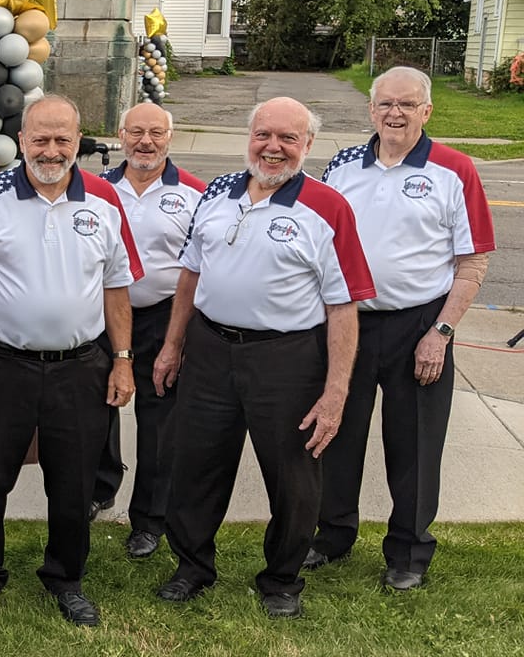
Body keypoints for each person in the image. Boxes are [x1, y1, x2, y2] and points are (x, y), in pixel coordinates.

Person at [153, 97, 375, 619]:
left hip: (287, 358)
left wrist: (336, 391)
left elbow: (343, 308)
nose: (273, 148)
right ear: (249, 137)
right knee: (196, 462)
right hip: (209, 350)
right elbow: (191, 273)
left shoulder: (327, 208)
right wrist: (172, 344)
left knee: (293, 476)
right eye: (263, 136)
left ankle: (280, 579)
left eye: (287, 139)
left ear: (308, 146)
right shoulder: (217, 193)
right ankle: (192, 567)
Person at [0, 94, 141, 628]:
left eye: (62, 139)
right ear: (22, 141)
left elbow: (116, 289)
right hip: (0, 365)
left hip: (81, 367)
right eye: (40, 139)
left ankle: (66, 578)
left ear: (78, 141)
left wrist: (123, 360)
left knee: (74, 480)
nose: (51, 150)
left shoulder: (104, 203)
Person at [308, 66, 494, 591]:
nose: (395, 114)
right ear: (371, 110)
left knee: (413, 443)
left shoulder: (454, 169)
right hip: (350, 323)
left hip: (420, 325)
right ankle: (333, 535)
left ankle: (409, 551)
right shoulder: (343, 165)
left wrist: (442, 332)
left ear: (426, 112)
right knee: (335, 434)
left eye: (407, 105)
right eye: (386, 104)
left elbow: (473, 262)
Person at [93, 102, 206, 559]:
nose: (146, 142)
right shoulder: (96, 190)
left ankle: (150, 519)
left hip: (164, 317)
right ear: (121, 136)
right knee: (97, 410)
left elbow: (201, 266)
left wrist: (180, 337)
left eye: (156, 133)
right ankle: (100, 488)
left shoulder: (197, 194)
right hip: (102, 315)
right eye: (136, 132)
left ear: (169, 138)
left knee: (159, 422)